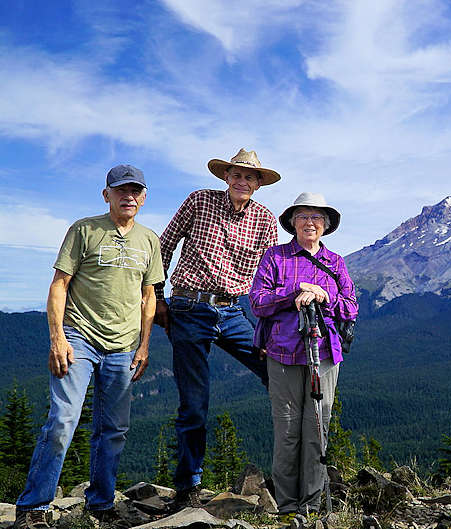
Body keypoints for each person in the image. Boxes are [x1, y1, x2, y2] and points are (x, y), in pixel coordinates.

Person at [15, 165, 163, 529]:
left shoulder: (149, 240)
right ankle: (33, 506)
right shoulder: (84, 229)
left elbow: (149, 296)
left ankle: (100, 502)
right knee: (64, 420)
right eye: (120, 190)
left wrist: (144, 345)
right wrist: (57, 337)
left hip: (125, 344)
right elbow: (59, 284)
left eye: (135, 191)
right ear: (106, 194)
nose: (128, 196)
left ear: (143, 198)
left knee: (113, 429)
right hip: (78, 337)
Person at [154, 148, 280, 509]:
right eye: (237, 174)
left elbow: (268, 277)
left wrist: (270, 328)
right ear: (226, 177)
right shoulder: (199, 200)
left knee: (278, 370)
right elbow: (164, 246)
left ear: (258, 184)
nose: (243, 181)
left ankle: (289, 468)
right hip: (189, 306)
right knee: (194, 403)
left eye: (250, 177)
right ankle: (188, 485)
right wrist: (159, 297)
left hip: (233, 310)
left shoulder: (265, 220)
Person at [249, 192, 358, 515]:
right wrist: (294, 292)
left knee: (316, 429)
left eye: (316, 217)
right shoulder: (275, 257)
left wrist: (324, 296)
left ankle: (310, 504)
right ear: (292, 223)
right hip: (282, 352)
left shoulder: (335, 262)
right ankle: (287, 504)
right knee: (287, 430)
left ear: (325, 225)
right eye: (303, 216)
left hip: (324, 353)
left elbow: (350, 308)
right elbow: (258, 301)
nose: (310, 222)